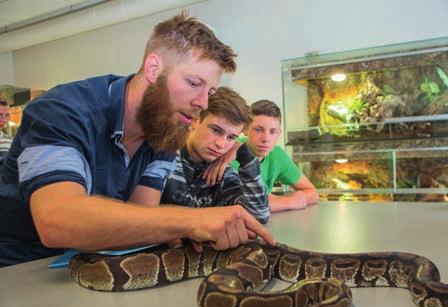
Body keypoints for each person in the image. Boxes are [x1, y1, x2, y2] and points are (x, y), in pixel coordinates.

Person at [0, 12, 274, 267]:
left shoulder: (164, 130)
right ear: (153, 68)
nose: (202, 103)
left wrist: (186, 231)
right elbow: (57, 221)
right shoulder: (63, 111)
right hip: (19, 270)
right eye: (193, 83)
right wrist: (191, 219)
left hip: (87, 266)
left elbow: (143, 215)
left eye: (210, 91)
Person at [161, 86, 270, 224]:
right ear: (195, 120)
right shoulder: (163, 154)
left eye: (231, 137)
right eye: (216, 130)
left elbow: (259, 215)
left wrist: (244, 154)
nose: (221, 144)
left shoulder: (221, 171)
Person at [204, 99, 318, 212]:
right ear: (246, 129)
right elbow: (246, 206)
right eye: (258, 130)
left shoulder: (277, 155)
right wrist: (292, 201)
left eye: (273, 131)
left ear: (279, 133)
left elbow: (312, 193)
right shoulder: (231, 152)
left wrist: (276, 200)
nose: (266, 139)